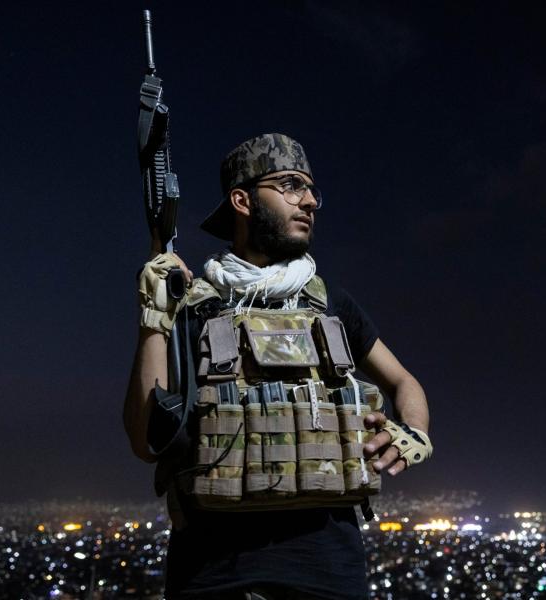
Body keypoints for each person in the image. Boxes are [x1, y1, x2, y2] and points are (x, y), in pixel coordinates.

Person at [123, 133, 433, 599]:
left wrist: (415, 431)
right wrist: (154, 319)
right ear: (242, 200)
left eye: (311, 190)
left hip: (331, 573)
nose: (309, 201)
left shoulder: (328, 303)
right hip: (215, 575)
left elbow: (404, 381)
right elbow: (146, 440)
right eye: (290, 185)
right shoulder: (193, 304)